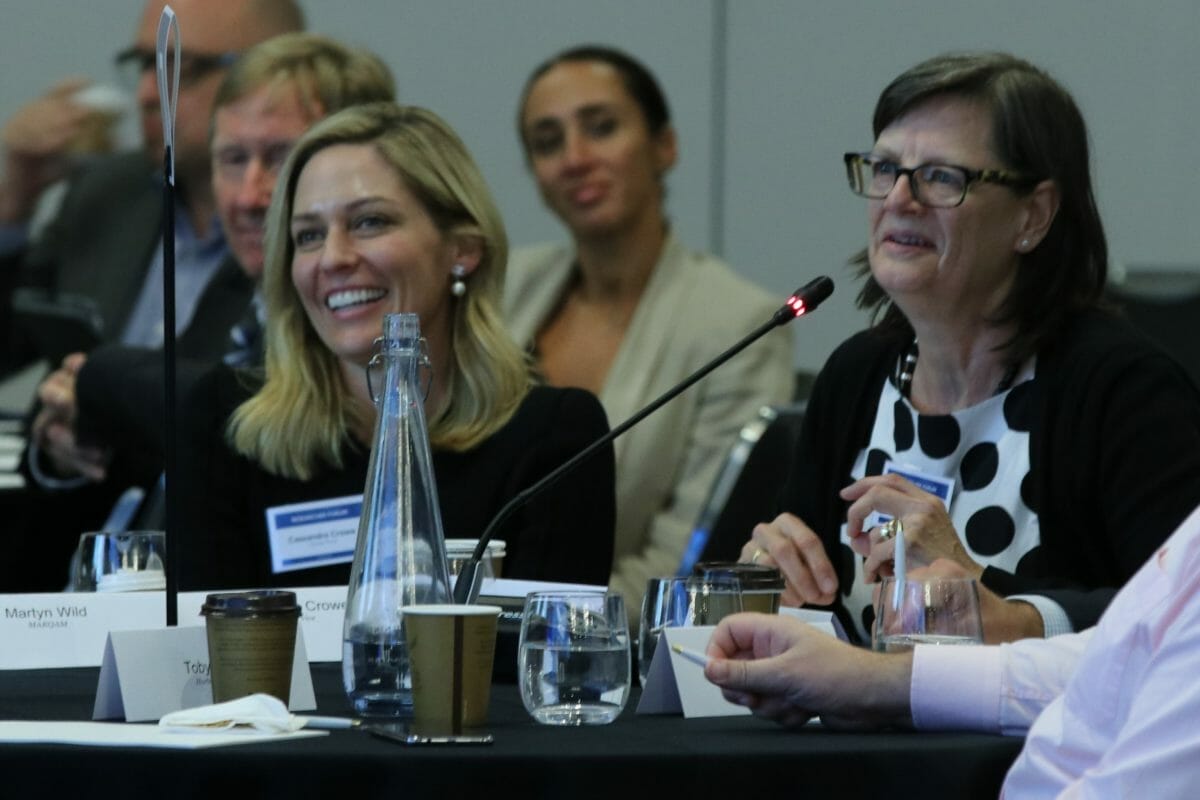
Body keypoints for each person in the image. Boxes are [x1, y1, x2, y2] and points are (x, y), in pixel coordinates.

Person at [740, 51, 1200, 643]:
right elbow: (815, 607)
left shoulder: (1122, 391)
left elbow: (1183, 616)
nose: (898, 199)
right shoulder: (857, 376)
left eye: (940, 177)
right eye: (885, 168)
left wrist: (991, 599)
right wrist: (770, 573)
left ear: (1033, 215)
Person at [3, 34, 395, 593]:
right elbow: (147, 462)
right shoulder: (232, 296)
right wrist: (67, 450)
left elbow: (230, 426)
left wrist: (104, 380)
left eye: (281, 158)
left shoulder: (370, 318)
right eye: (232, 160)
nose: (248, 196)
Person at [176, 102, 615, 591]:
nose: (333, 258)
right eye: (309, 235)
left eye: (369, 222)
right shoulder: (227, 427)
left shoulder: (555, 439)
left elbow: (548, 640)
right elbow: (206, 638)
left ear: (463, 249)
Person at [506, 45, 794, 616]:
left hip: (615, 643)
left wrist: (533, 623)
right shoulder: (503, 286)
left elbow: (686, 563)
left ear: (665, 145)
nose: (574, 158)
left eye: (601, 127)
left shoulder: (738, 323)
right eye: (547, 142)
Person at [702, 499, 1200, 797]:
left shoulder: (1122, 386)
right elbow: (1125, 655)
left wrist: (1013, 613)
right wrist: (871, 681)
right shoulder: (855, 379)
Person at [0, 0, 304, 373]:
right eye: (146, 63)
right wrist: (14, 201)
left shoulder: (318, 227)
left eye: (180, 68)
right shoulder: (107, 189)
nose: (145, 94)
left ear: (274, 75)